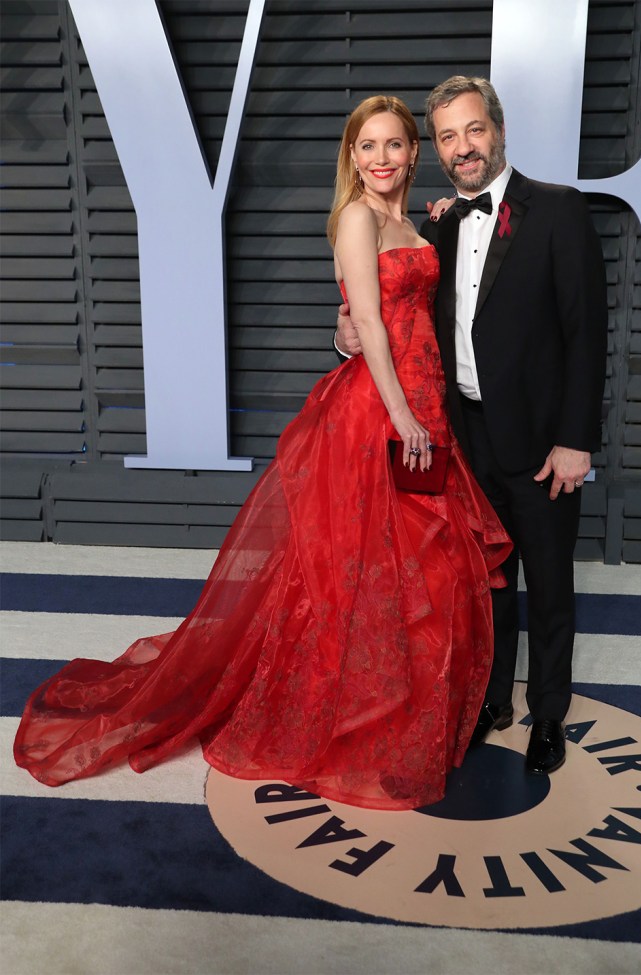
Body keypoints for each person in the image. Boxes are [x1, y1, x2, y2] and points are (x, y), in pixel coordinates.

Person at [14, 96, 511, 810]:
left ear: (412, 152)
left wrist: (414, 397)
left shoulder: (410, 219)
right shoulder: (356, 217)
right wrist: (401, 413)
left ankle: (402, 716)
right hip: (380, 414)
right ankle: (354, 723)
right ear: (351, 155)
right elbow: (366, 318)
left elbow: (392, 312)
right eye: (367, 146)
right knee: (356, 574)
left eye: (394, 145)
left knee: (415, 576)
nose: (380, 159)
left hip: (424, 405)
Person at [336, 77, 608, 775]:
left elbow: (587, 333)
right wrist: (344, 336)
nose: (463, 147)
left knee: (547, 581)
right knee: (482, 581)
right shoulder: (438, 226)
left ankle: (548, 711)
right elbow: (389, 315)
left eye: (474, 130)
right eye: (450, 135)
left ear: (499, 130)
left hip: (545, 442)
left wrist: (577, 439)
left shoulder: (557, 209)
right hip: (460, 435)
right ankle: (493, 699)